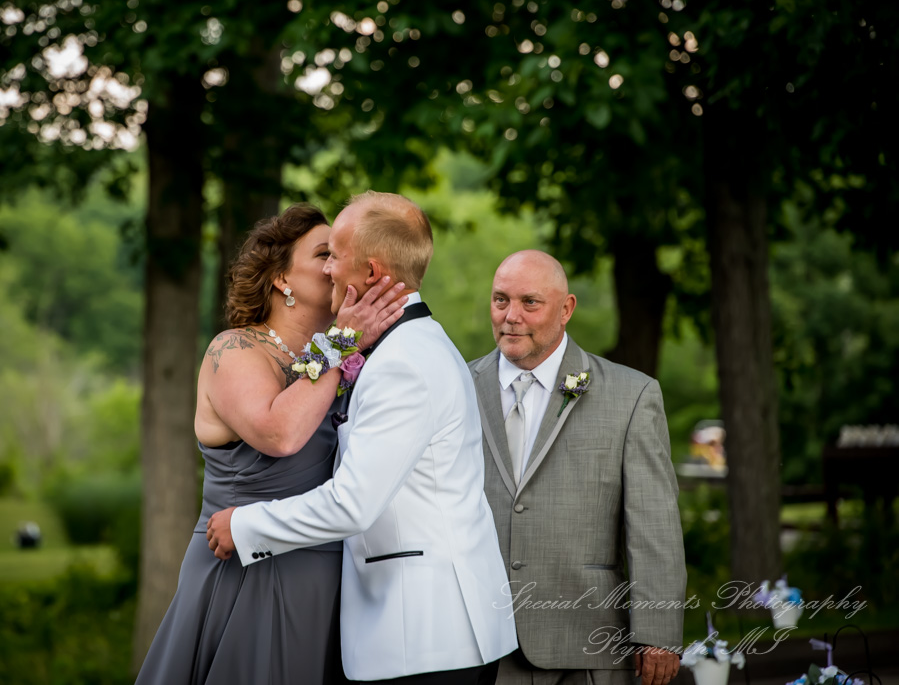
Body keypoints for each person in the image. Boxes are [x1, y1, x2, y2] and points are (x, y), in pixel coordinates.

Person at [207, 191, 518, 684]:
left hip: (424, 635)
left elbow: (353, 504)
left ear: (371, 273)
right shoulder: (403, 347)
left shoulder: (402, 363)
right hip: (417, 630)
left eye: (334, 254)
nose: (328, 268)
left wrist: (247, 527)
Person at [136, 204, 407, 684]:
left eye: (340, 255)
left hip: (330, 573)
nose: (333, 266)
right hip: (245, 567)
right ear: (281, 277)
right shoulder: (235, 349)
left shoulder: (342, 355)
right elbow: (280, 434)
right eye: (324, 253)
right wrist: (345, 341)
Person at [468, 250, 687, 685]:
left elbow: (653, 522)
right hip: (478, 641)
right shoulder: (456, 386)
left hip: (587, 641)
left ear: (566, 309)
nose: (511, 316)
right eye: (500, 300)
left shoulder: (631, 395)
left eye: (530, 302)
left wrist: (658, 631)